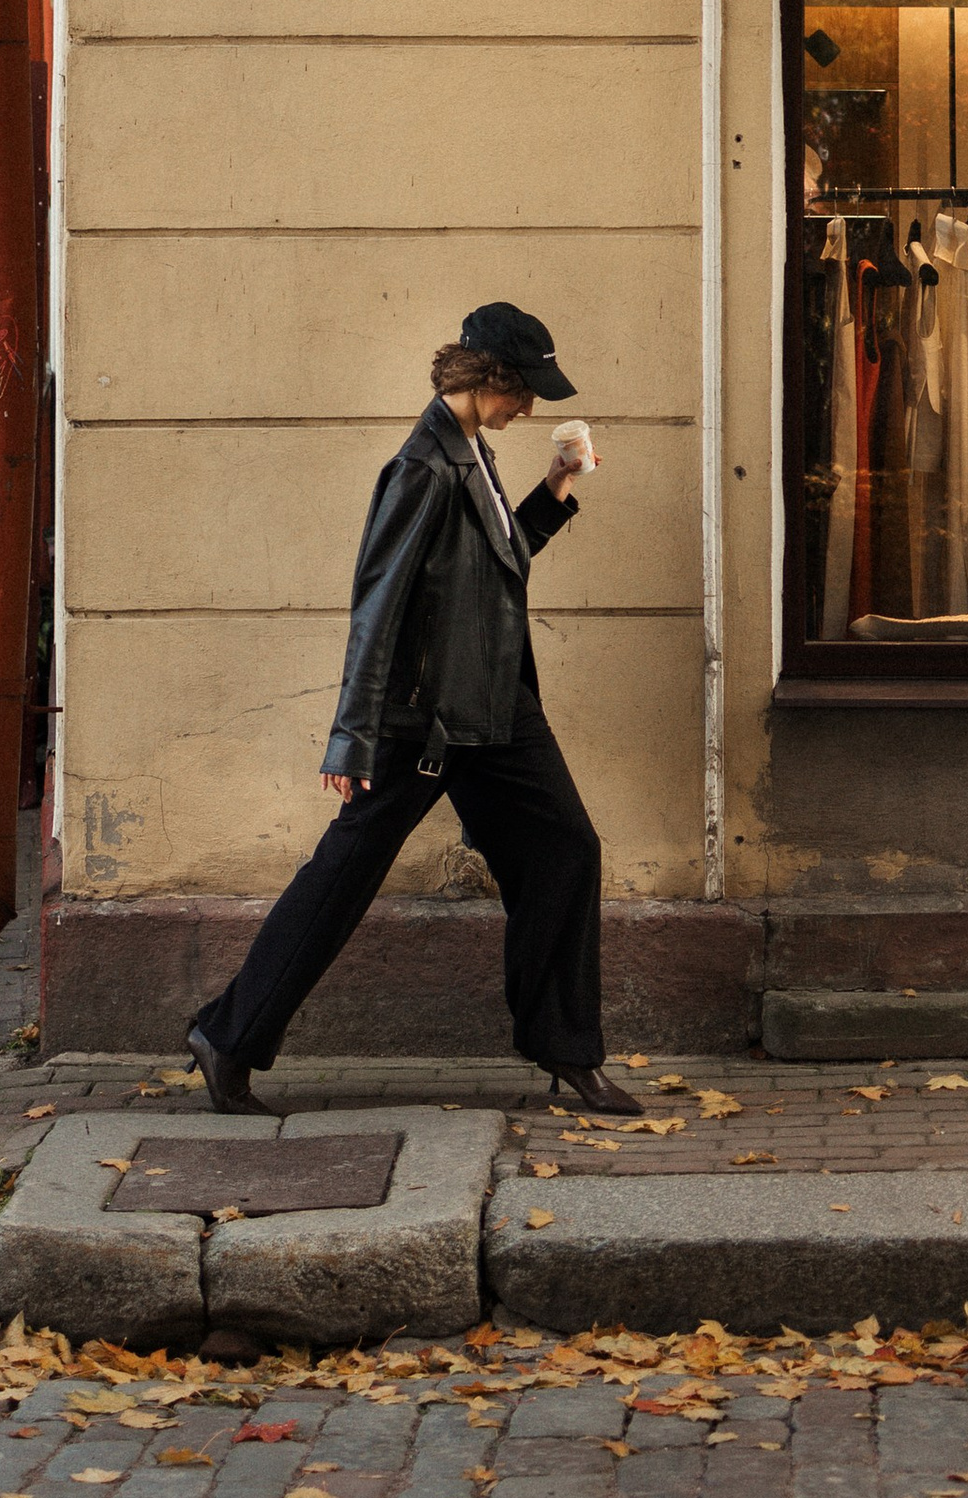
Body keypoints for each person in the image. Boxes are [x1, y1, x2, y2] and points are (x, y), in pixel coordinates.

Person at [185, 302, 644, 1119]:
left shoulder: (473, 449)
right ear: (489, 378)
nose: (529, 408)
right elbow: (378, 606)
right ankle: (228, 1039)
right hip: (425, 721)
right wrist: (352, 737)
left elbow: (492, 565)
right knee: (341, 881)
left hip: (496, 706)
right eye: (522, 391)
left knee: (565, 852)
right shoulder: (423, 467)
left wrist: (553, 491)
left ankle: (568, 1052)